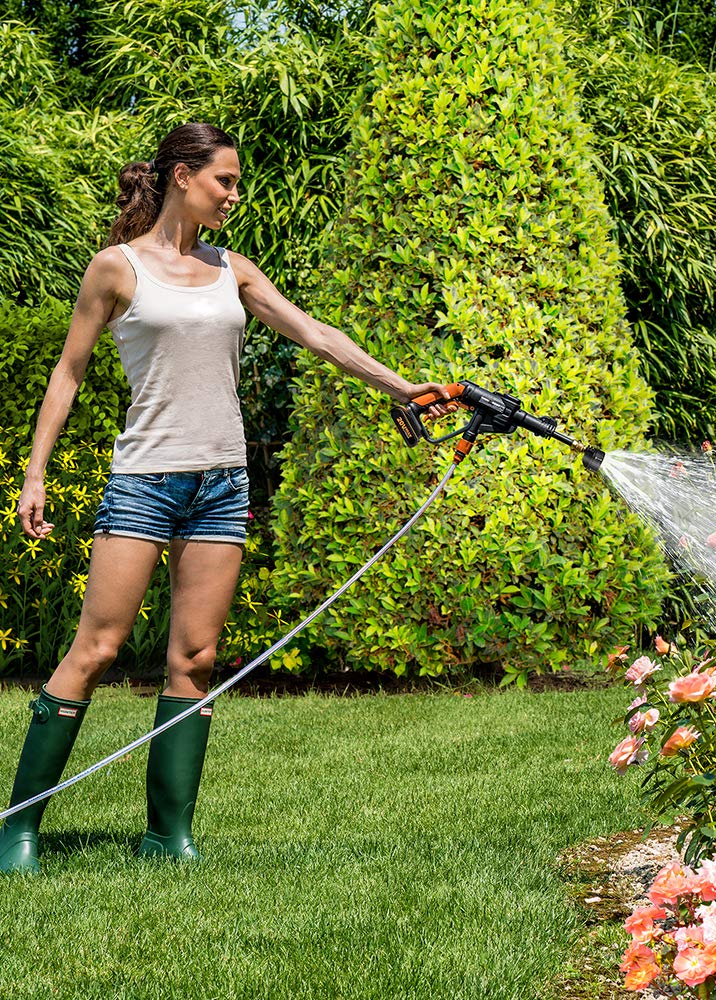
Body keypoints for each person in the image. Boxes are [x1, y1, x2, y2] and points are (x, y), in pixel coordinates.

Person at [0, 122, 453, 874]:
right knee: (97, 649)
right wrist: (35, 473)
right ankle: (17, 829)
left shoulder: (231, 271)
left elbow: (314, 333)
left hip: (221, 484)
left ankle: (165, 836)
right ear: (182, 176)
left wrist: (402, 385)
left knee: (196, 658)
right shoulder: (116, 269)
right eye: (225, 181)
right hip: (144, 481)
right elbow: (68, 372)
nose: (235, 195)